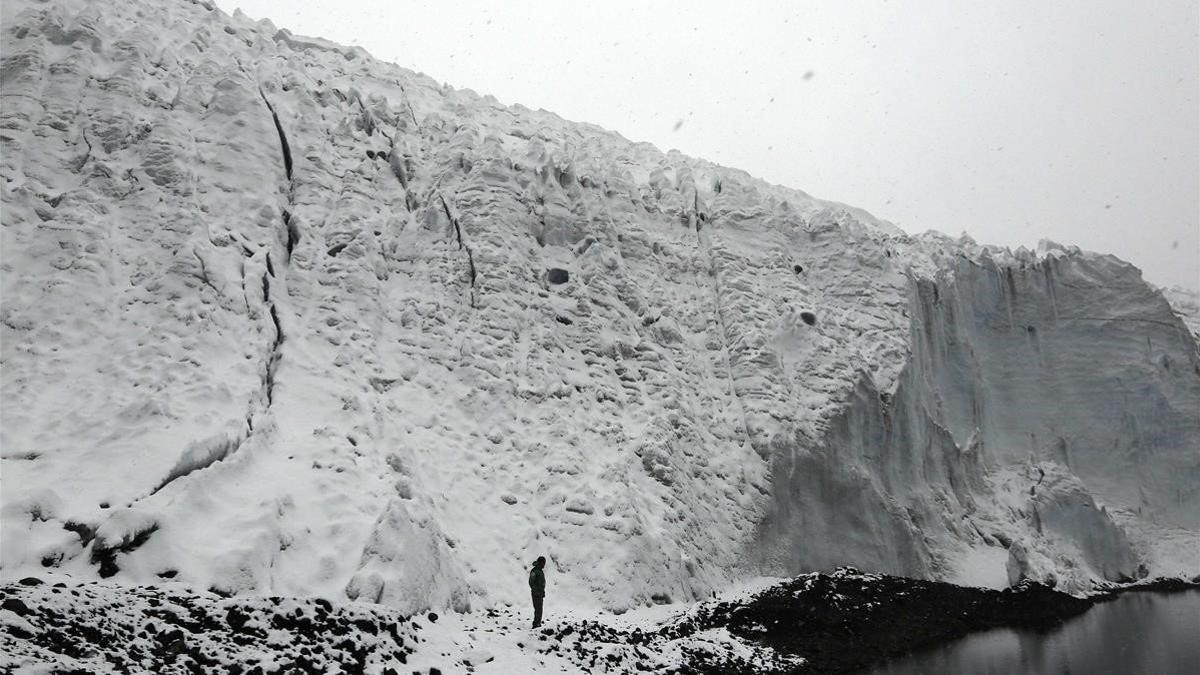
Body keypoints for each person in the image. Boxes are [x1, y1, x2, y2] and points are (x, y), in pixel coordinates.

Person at [528, 556, 546, 627]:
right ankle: (536, 623)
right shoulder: (534, 571)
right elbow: (531, 582)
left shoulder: (540, 571)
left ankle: (538, 622)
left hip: (540, 593)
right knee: (538, 609)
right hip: (536, 593)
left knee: (540, 609)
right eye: (543, 563)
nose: (544, 564)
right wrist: (536, 591)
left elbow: (541, 583)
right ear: (540, 562)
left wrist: (542, 591)